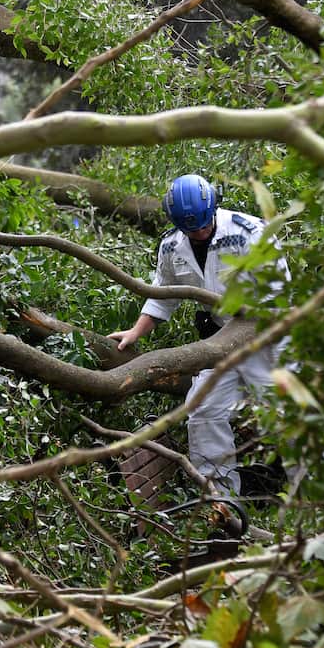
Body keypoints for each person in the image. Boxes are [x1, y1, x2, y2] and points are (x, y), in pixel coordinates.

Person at [109, 174, 287, 496]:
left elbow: (279, 291)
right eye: (192, 229)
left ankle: (316, 498)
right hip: (218, 340)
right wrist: (136, 332)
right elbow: (163, 294)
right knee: (202, 412)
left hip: (266, 337)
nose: (199, 232)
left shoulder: (249, 232)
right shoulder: (171, 245)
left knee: (287, 415)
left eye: (203, 225)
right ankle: (222, 502)